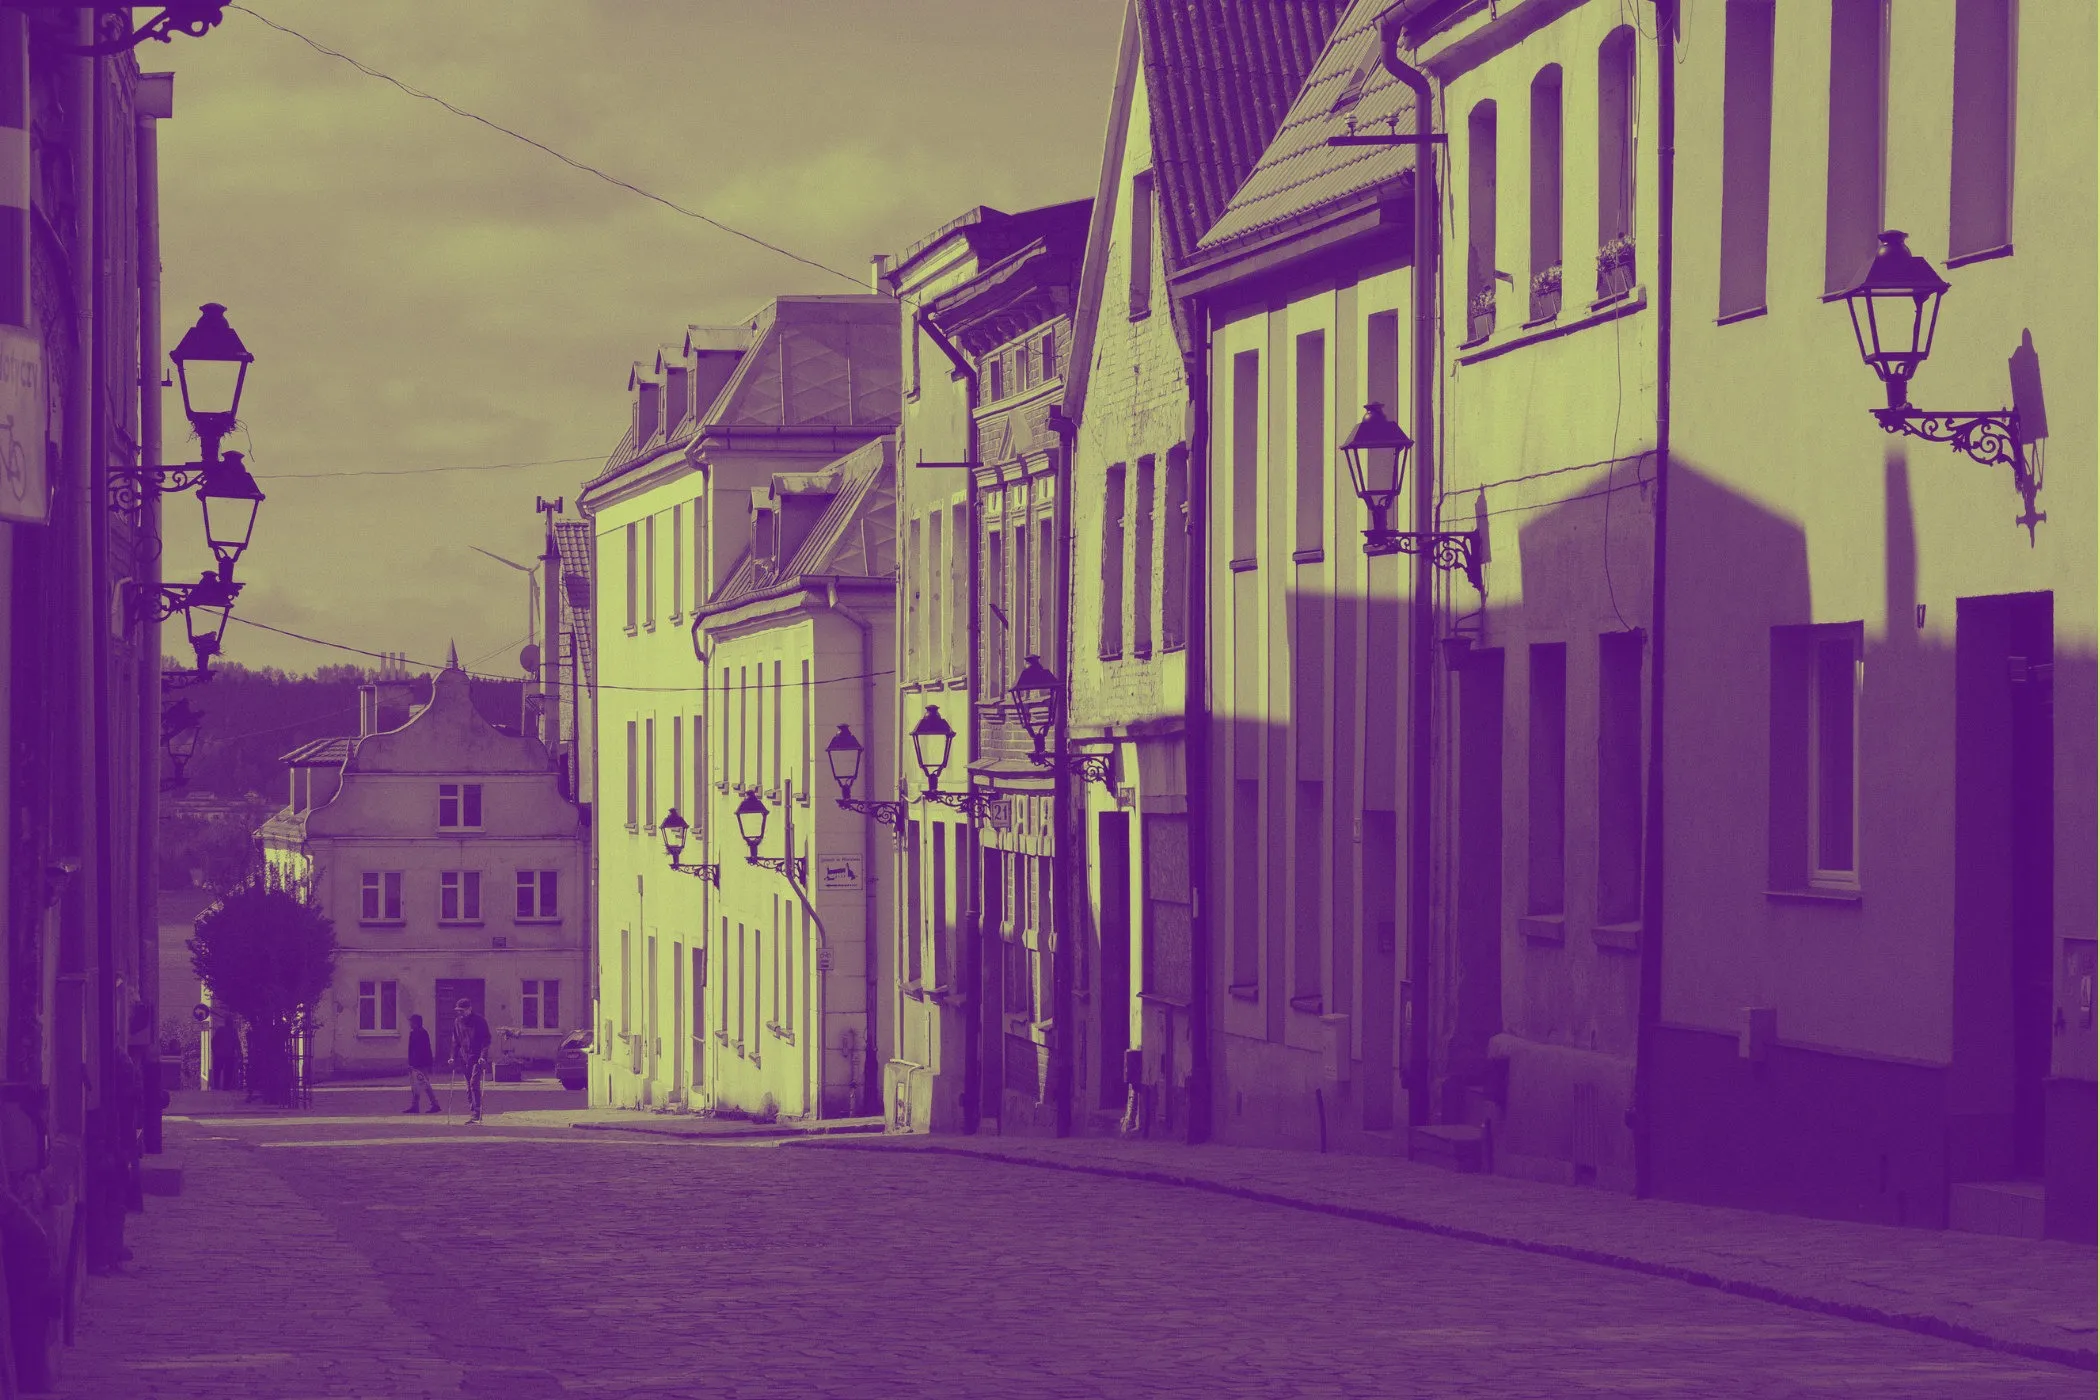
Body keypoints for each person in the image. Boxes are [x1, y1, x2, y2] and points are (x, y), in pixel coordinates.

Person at [450, 999, 492, 1125]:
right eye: (458, 1011)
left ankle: (476, 1113)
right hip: (464, 1058)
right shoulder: (457, 1022)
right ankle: (472, 1111)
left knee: (474, 1083)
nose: (460, 1013)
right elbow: (455, 1041)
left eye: (462, 1011)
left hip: (477, 1057)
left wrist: (483, 1056)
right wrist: (452, 1056)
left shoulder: (480, 1021)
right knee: (468, 1087)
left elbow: (487, 1039)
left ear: (469, 1009)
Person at [402, 1014, 441, 1114]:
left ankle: (435, 1104)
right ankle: (415, 1106)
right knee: (415, 1086)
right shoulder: (412, 1034)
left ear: (416, 1023)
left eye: (411, 1022)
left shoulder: (423, 1033)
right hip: (414, 1064)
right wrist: (410, 1063)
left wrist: (429, 1064)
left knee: (425, 1084)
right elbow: (410, 1050)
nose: (410, 1023)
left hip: (422, 1064)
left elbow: (426, 1050)